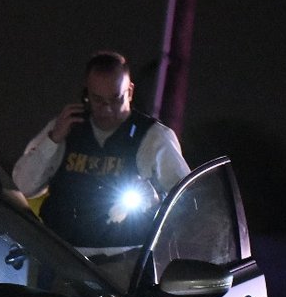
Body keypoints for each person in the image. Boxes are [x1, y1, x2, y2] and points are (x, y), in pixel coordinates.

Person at [12, 51, 190, 253]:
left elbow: (188, 201)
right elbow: (23, 186)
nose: (106, 109)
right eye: (98, 100)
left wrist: (157, 198)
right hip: (63, 258)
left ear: (130, 92)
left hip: (125, 262)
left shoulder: (154, 137)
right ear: (86, 94)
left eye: (116, 99)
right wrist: (53, 139)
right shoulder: (65, 127)